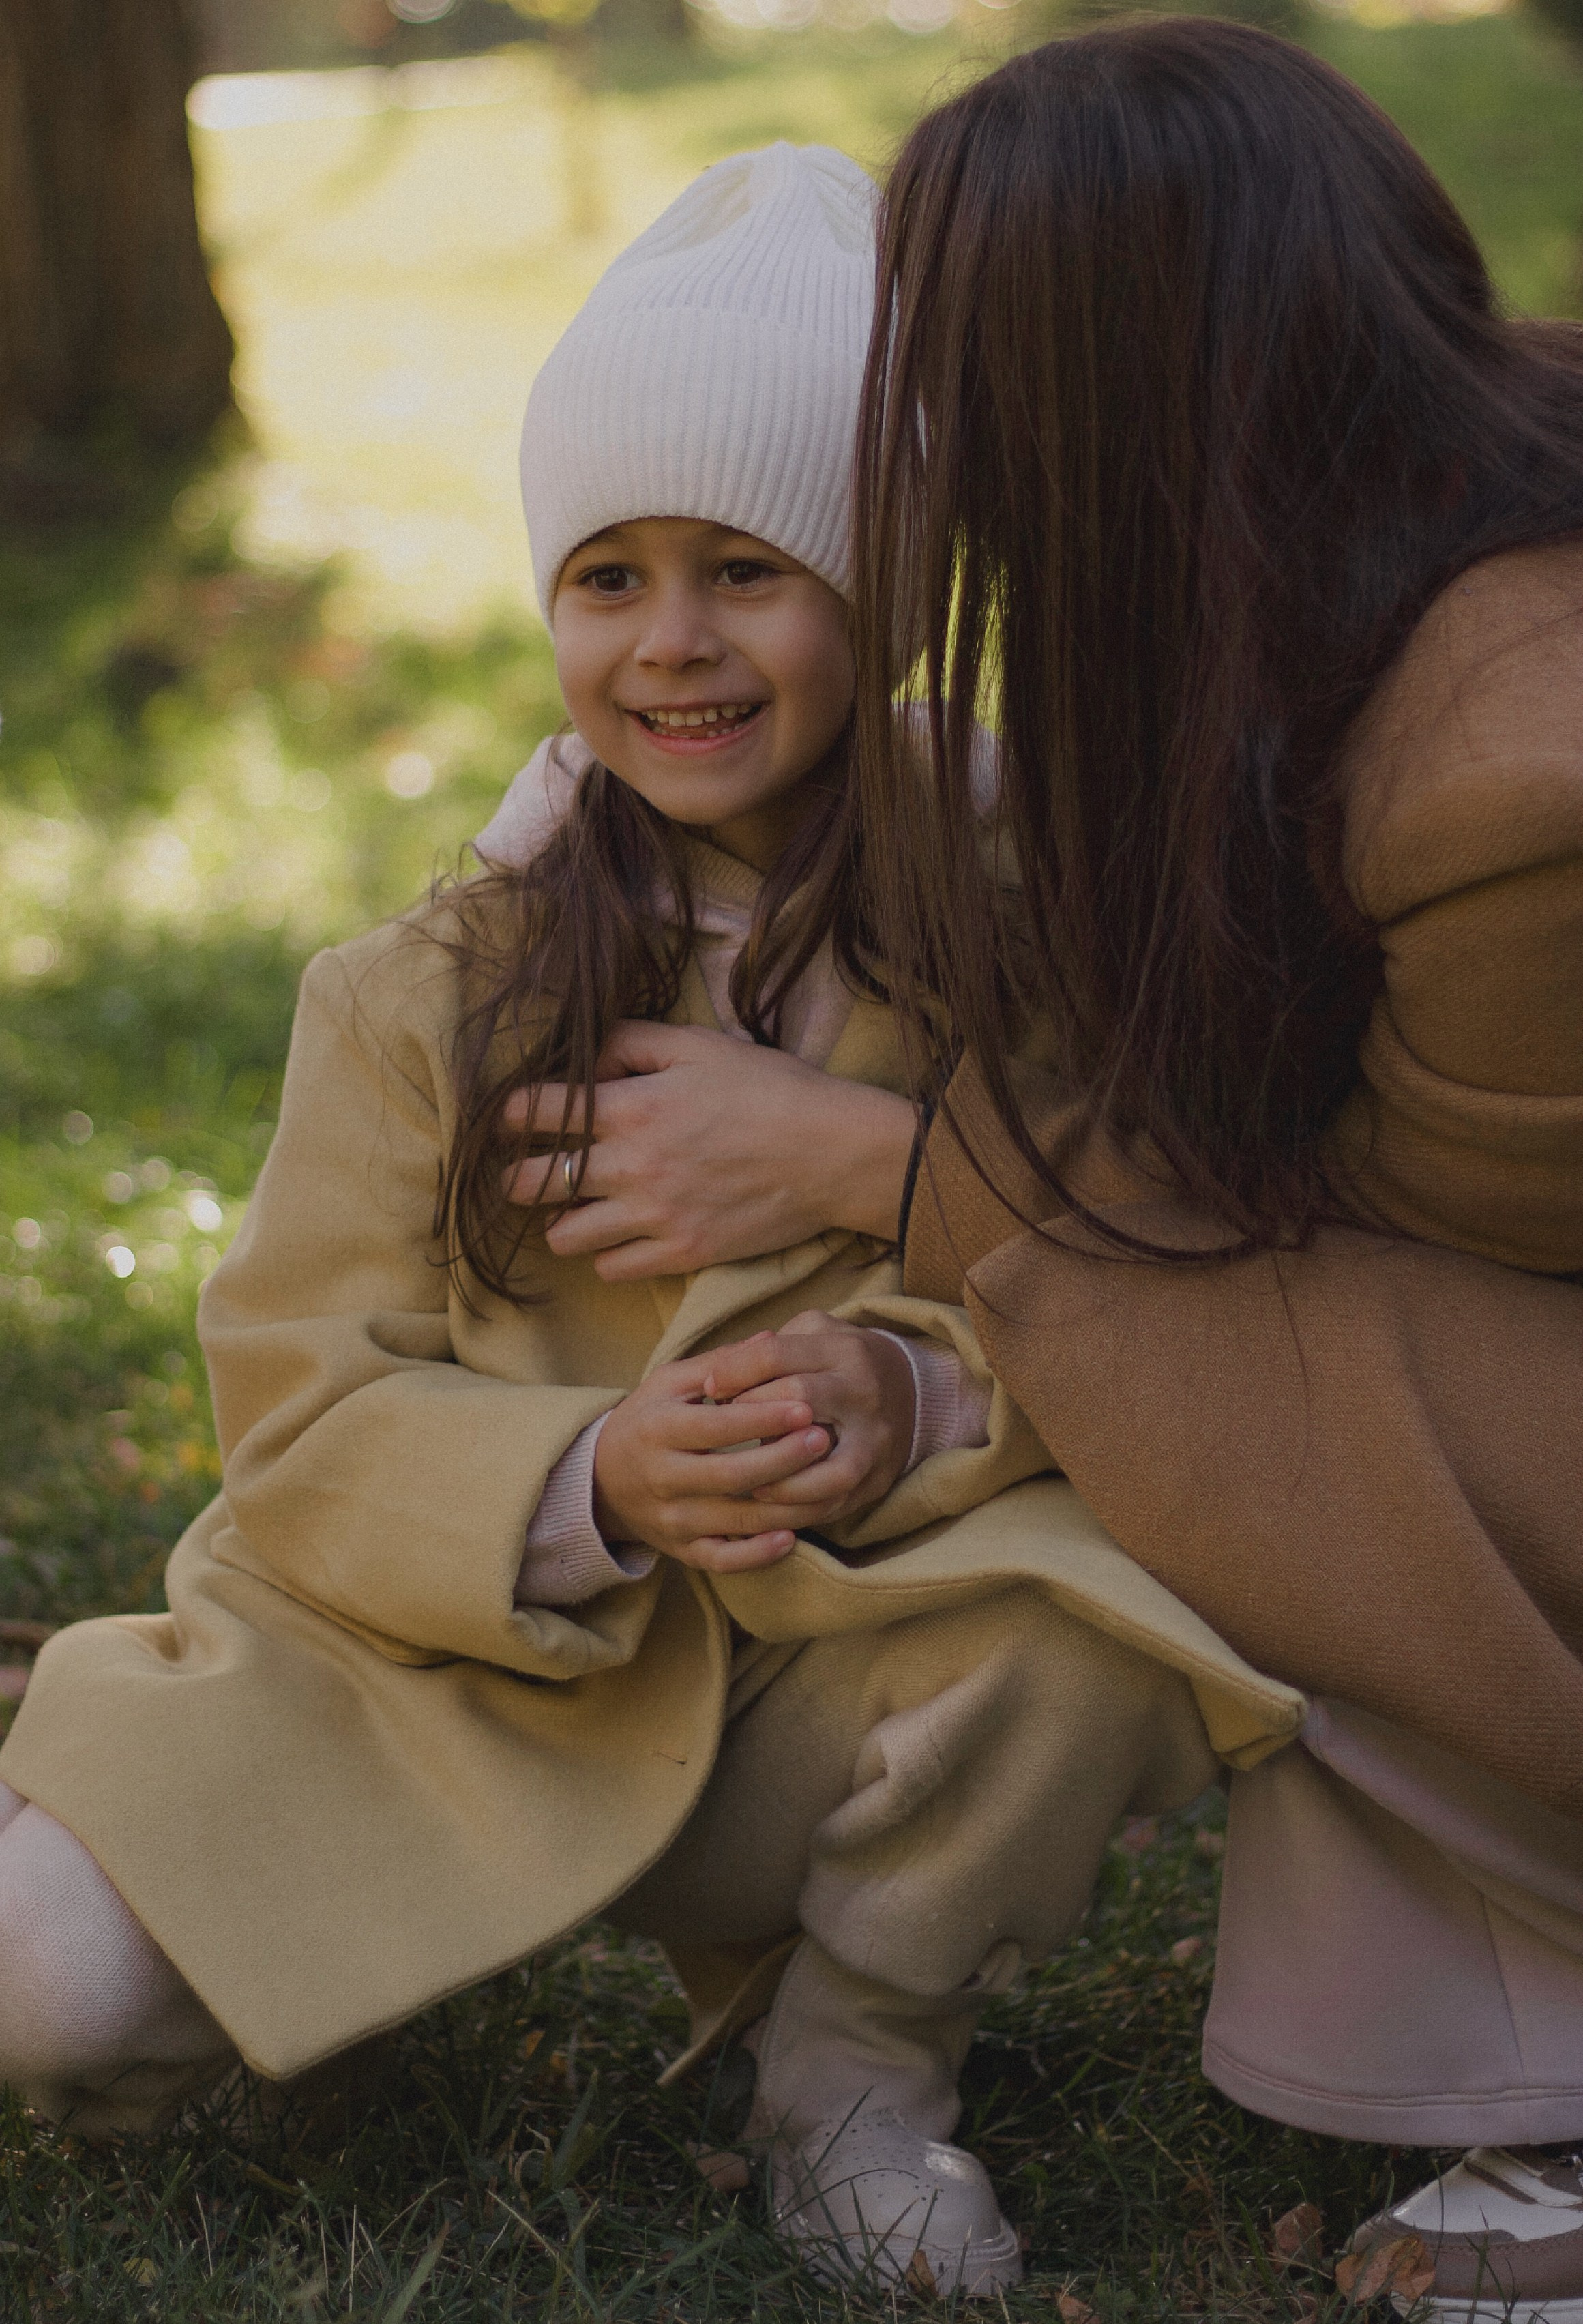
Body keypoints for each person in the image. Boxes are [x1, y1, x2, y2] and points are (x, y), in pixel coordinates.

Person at [0, 142, 1297, 2297]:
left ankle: (853, 2074)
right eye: (606, 576)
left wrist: (901, 1390)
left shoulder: (1020, 943)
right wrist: (586, 1469)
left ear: (882, 589)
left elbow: (1121, 1271)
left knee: (1087, 1635)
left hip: (809, 1672)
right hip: (406, 1674)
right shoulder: (425, 987)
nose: (672, 642)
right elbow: (300, 1421)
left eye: (747, 569)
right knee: (44, 1997)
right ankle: (237, 1955)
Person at [487, 30, 1583, 2320]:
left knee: (1212, 1366)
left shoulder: (1515, 768)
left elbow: (1385, 1232)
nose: (917, 432)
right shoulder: (1353, 566)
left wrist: (895, 1166)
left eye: (951, 356)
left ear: (1103, 383)